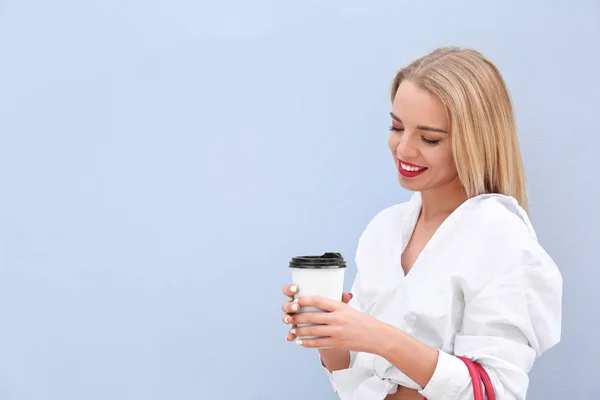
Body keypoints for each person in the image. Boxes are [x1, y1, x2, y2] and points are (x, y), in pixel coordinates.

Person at [280, 47, 563, 400]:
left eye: (429, 138)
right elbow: (359, 383)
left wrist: (377, 335)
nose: (404, 149)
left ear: (476, 141)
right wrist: (331, 334)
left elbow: (496, 391)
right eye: (397, 127)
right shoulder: (384, 230)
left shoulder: (498, 234)